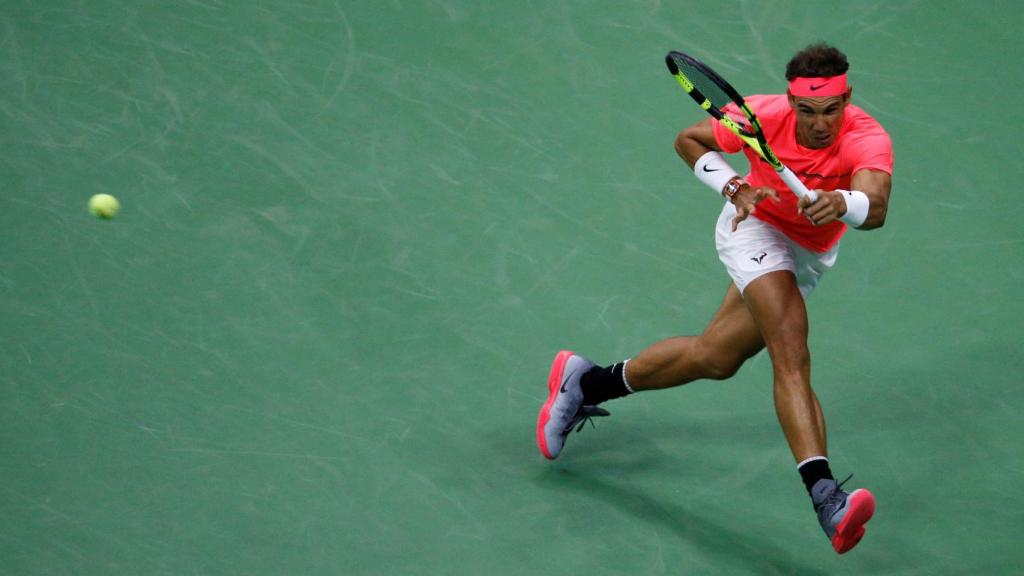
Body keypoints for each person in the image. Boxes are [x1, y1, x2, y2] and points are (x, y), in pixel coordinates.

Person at [536, 43, 893, 555]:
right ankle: (826, 497)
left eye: (831, 110)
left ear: (847, 99)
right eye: (808, 111)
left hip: (809, 250)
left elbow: (875, 206)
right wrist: (732, 187)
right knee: (790, 347)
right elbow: (688, 139)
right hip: (755, 228)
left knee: (716, 357)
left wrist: (843, 201)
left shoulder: (867, 137)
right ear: (791, 103)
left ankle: (586, 381)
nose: (820, 124)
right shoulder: (760, 116)